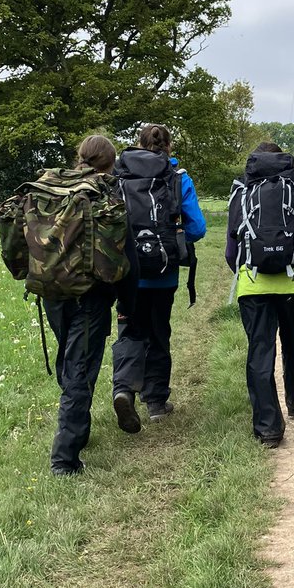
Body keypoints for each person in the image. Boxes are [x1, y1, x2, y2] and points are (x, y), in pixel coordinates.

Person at [43, 135, 136, 476]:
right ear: (111, 163)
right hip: (91, 296)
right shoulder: (108, 193)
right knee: (80, 371)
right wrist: (128, 301)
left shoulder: (53, 187)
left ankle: (75, 427)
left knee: (71, 364)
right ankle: (64, 460)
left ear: (79, 158)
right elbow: (125, 255)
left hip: (52, 291)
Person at [111, 123, 206, 432]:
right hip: (163, 273)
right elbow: (198, 228)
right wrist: (173, 239)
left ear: (138, 143)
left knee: (129, 330)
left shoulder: (118, 176)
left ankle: (124, 388)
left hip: (126, 274)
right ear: (169, 147)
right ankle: (155, 403)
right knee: (158, 333)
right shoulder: (178, 178)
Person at [226, 142, 294, 447]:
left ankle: (268, 428)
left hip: (252, 284)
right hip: (293, 283)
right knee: (293, 340)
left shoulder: (241, 192)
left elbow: (231, 249)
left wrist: (243, 271)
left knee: (260, 349)